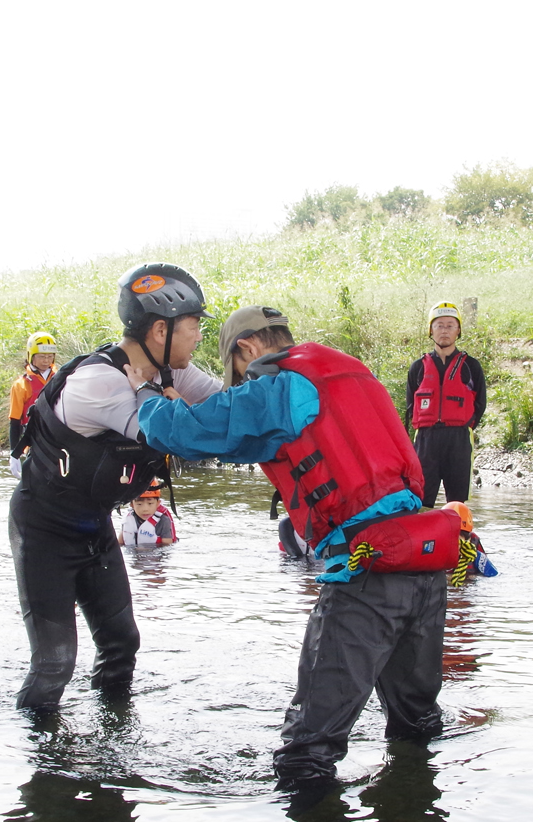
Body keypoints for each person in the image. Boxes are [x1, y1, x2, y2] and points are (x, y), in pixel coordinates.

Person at [137, 304, 463, 796]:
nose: (243, 383)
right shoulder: (349, 371)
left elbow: (185, 434)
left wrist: (145, 396)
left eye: (238, 371)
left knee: (305, 755)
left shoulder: (280, 387)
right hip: (425, 565)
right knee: (416, 724)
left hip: (366, 575)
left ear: (247, 348)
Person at [9, 264, 219, 713]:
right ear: (160, 330)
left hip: (92, 527)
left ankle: (117, 753)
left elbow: (226, 403)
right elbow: (170, 435)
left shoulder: (171, 372)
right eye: (194, 325)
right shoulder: (98, 382)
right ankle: (42, 769)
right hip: (43, 528)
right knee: (54, 665)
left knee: (122, 646)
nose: (199, 336)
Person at [404, 301, 487, 506]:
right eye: (439, 325)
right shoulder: (418, 367)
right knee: (421, 498)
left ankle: (458, 536)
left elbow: (480, 403)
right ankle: (421, 535)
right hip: (426, 439)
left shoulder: (471, 366)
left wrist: (463, 425)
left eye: (450, 325)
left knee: (457, 501)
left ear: (458, 331)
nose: (444, 331)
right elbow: (409, 406)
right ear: (431, 330)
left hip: (458, 439)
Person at [8, 331, 59, 454]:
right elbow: (15, 421)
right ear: (31, 356)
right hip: (34, 442)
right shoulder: (21, 385)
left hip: (58, 440)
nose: (46, 361)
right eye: (42, 356)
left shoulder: (61, 378)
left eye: (50, 356)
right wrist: (14, 453)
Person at [446, 500, 498, 584]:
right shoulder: (435, 557)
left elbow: (494, 576)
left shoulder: (477, 557)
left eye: (458, 539)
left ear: (468, 540)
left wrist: (474, 578)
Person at [119, 478, 178, 548]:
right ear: (132, 505)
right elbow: (119, 543)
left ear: (158, 504)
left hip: (154, 556)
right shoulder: (128, 519)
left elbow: (167, 547)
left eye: (150, 503)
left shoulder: (163, 521)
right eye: (139, 504)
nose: (145, 509)